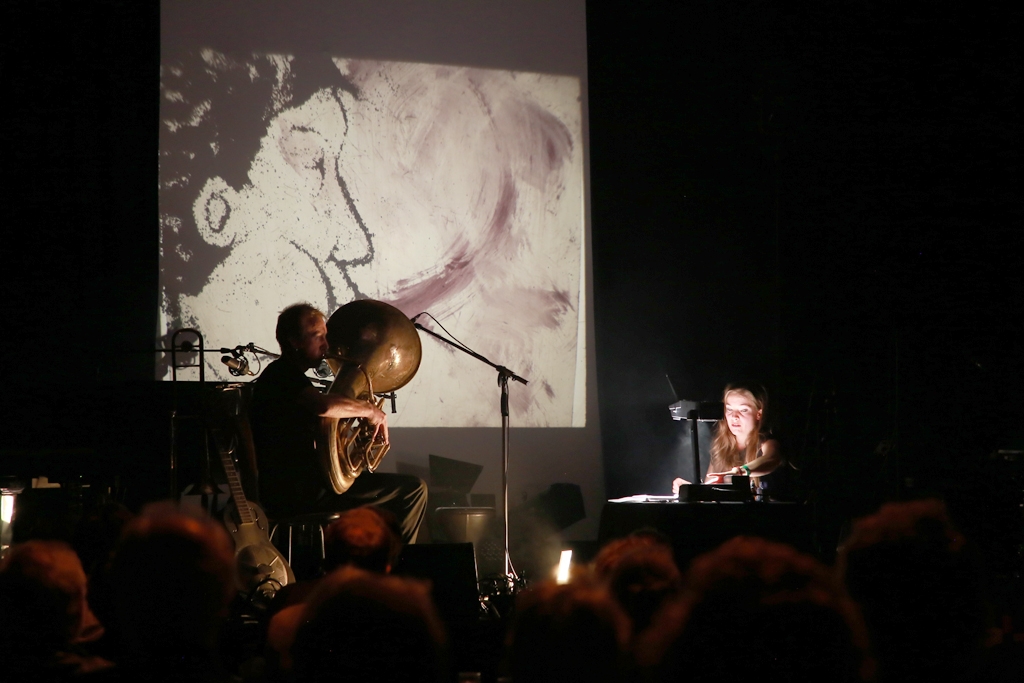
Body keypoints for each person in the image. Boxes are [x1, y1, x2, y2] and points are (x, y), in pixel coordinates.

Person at [249, 303, 427, 543]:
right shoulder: (280, 375)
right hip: (298, 492)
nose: (327, 344)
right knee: (412, 491)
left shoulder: (293, 377)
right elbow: (324, 407)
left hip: (312, 486)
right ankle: (402, 568)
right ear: (295, 341)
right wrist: (370, 411)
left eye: (326, 336)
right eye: (317, 336)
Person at [673, 384, 783, 495]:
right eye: (729, 409)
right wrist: (691, 490)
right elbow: (710, 492)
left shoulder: (768, 441)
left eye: (743, 410)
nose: (734, 416)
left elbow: (772, 458)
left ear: (759, 413)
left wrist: (739, 472)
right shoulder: (721, 447)